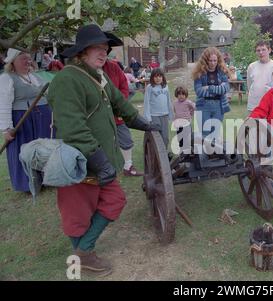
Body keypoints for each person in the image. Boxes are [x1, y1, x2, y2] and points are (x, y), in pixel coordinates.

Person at [47, 24, 159, 275]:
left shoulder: (100, 76)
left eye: (105, 48)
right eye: (97, 48)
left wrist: (145, 124)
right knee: (77, 214)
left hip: (101, 159)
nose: (103, 52)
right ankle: (83, 255)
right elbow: (72, 127)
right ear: (81, 52)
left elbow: (121, 104)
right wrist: (98, 159)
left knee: (114, 200)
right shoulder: (67, 79)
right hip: (79, 161)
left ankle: (83, 251)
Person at [0, 48, 53, 192]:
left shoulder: (34, 76)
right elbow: (3, 104)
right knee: (24, 151)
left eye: (29, 58)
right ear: (13, 62)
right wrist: (6, 129)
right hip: (23, 121)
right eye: (23, 58)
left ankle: (46, 179)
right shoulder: (7, 78)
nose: (28, 61)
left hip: (41, 120)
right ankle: (28, 184)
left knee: (43, 150)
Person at [102, 33, 143, 177]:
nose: (102, 53)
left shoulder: (113, 67)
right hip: (97, 117)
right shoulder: (81, 71)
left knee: (125, 139)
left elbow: (123, 86)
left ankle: (128, 166)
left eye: (104, 50)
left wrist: (120, 103)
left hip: (117, 113)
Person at [192, 47, 231, 139]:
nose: (213, 63)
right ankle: (205, 153)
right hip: (203, 106)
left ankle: (214, 153)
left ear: (218, 60)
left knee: (215, 135)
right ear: (205, 60)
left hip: (219, 106)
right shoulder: (199, 73)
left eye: (215, 60)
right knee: (205, 135)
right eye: (210, 60)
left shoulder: (222, 71)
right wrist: (218, 90)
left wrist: (209, 88)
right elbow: (199, 91)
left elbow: (226, 88)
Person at [143, 68, 173, 148]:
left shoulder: (165, 87)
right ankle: (157, 156)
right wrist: (148, 117)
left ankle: (165, 154)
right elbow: (146, 103)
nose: (158, 78)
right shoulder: (150, 87)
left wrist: (170, 114)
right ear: (152, 77)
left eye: (160, 76)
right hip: (154, 116)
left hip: (164, 115)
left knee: (165, 137)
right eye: (155, 77)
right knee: (157, 137)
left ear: (163, 77)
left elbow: (168, 101)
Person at [247, 41, 273, 112]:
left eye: (263, 49)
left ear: (269, 50)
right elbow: (249, 84)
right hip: (254, 105)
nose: (261, 52)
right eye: (258, 50)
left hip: (271, 105)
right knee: (253, 123)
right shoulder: (251, 66)